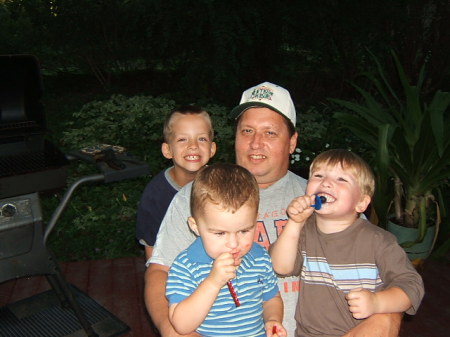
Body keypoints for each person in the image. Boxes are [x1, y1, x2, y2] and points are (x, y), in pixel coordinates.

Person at [145, 81, 403, 337]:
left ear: (292, 142)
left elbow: (383, 263)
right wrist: (174, 331)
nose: (256, 143)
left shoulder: (321, 196)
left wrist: (387, 317)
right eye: (247, 131)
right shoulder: (199, 196)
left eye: (270, 133)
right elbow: (160, 270)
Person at [270, 149, 424, 336]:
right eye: (318, 176)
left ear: (361, 203)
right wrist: (295, 222)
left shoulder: (378, 241)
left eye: (341, 179)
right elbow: (281, 267)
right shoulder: (304, 232)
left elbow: (412, 285)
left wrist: (377, 302)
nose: (326, 182)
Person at [166, 163, 287, 337]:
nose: (233, 243)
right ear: (196, 226)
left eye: (244, 231)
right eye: (220, 233)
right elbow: (181, 325)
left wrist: (273, 320)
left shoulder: (259, 257)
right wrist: (213, 281)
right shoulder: (186, 266)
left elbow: (271, 298)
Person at [136, 105, 216, 260]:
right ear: (167, 150)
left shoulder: (224, 184)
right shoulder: (155, 195)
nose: (193, 146)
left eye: (201, 139)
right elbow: (152, 253)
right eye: (182, 139)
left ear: (212, 148)